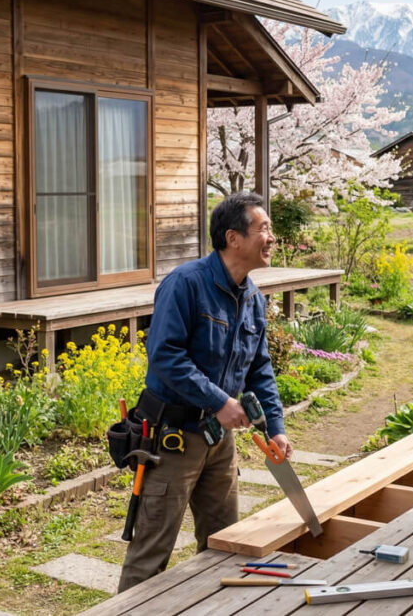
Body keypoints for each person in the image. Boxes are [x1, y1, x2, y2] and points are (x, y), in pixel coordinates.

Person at [118, 191, 291, 591]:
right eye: (263, 228)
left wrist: (275, 428)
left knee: (224, 544)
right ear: (233, 238)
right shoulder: (186, 284)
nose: (272, 237)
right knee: (150, 553)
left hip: (219, 442)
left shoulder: (251, 296)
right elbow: (165, 357)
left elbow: (259, 368)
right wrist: (219, 401)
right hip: (173, 440)